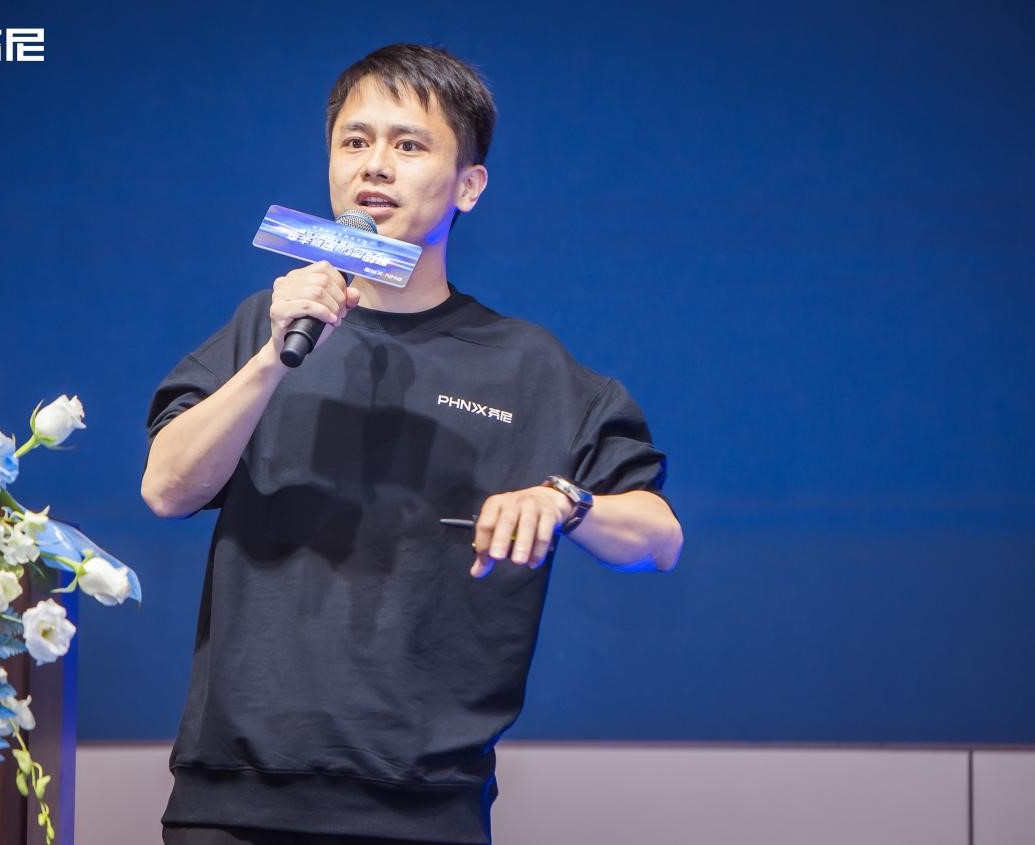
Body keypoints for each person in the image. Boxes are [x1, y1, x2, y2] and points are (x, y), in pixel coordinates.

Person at [143, 43, 683, 845]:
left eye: (408, 144)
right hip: (231, 800)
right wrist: (274, 358)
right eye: (354, 142)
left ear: (468, 185)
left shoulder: (526, 363)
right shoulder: (269, 324)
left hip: (423, 809)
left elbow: (659, 539)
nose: (375, 165)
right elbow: (166, 487)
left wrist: (565, 501)